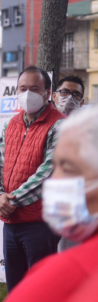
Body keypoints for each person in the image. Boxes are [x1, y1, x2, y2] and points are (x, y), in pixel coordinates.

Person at [0, 105, 98, 302]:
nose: (55, 179)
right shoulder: (11, 124)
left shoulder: (56, 282)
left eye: (67, 168)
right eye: (55, 166)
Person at [0, 66, 65, 292]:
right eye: (22, 88)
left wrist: (11, 201)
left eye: (34, 88)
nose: (27, 93)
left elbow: (49, 172)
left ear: (47, 92)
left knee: (40, 290)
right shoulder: (12, 123)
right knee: (16, 289)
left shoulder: (59, 124)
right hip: (11, 224)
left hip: (39, 224)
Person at [52, 75, 86, 252]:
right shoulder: (42, 124)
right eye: (65, 92)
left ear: (82, 101)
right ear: (55, 95)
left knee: (68, 256)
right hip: (38, 204)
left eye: (76, 94)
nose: (70, 98)